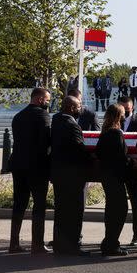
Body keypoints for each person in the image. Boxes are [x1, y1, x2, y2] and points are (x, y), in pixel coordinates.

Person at [9, 87, 52, 254]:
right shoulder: (42, 115)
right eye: (47, 100)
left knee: (19, 204)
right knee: (39, 205)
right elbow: (46, 143)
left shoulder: (18, 116)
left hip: (18, 165)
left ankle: (14, 243)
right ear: (40, 99)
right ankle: (37, 244)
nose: (48, 103)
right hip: (37, 167)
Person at [51, 95, 93, 256]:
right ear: (71, 108)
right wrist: (93, 159)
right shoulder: (72, 125)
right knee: (75, 211)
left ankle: (59, 244)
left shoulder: (56, 119)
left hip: (58, 173)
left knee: (61, 211)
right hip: (73, 176)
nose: (80, 108)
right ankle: (73, 246)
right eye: (78, 106)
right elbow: (79, 150)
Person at [96, 104, 133, 256]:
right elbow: (121, 157)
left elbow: (99, 153)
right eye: (123, 113)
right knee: (120, 210)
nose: (125, 116)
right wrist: (132, 162)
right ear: (118, 116)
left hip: (106, 176)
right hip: (115, 177)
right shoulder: (116, 134)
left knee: (112, 210)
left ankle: (109, 242)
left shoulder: (104, 133)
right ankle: (112, 244)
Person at [118, 96, 137, 247]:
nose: (125, 112)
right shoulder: (114, 122)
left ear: (132, 108)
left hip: (134, 168)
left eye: (127, 109)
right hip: (118, 169)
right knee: (117, 203)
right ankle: (114, 236)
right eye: (122, 110)